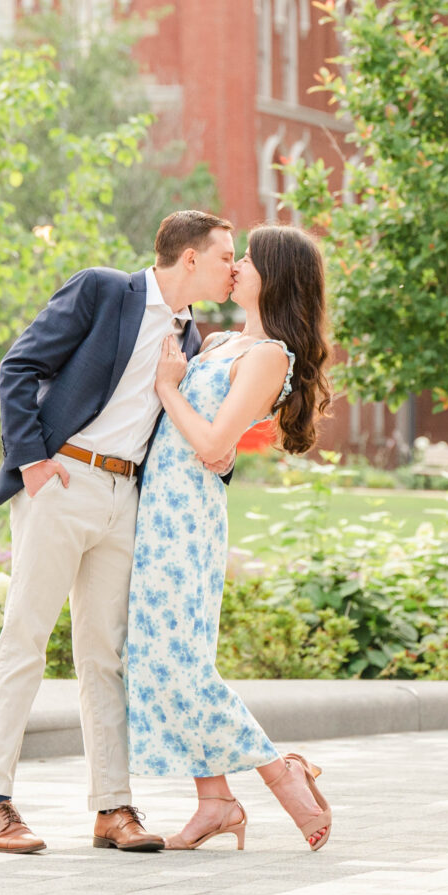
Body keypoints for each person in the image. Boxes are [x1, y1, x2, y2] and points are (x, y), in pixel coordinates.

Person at [0, 209, 240, 856]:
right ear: (191, 258)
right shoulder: (103, 289)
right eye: (227, 255)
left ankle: (112, 807)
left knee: (105, 655)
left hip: (126, 499)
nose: (235, 267)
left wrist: (220, 457)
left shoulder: (190, 337)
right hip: (63, 481)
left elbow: (185, 428)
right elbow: (19, 366)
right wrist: (34, 461)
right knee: (26, 638)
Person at [125, 222, 336, 851]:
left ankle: (279, 771)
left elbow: (216, 444)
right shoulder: (216, 342)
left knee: (184, 662)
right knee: (161, 658)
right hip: (157, 507)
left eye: (248, 257)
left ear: (277, 278)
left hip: (187, 517)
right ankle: (214, 799)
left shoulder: (268, 356)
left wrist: (169, 387)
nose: (236, 265)